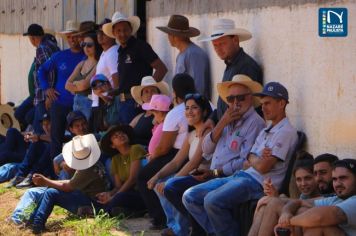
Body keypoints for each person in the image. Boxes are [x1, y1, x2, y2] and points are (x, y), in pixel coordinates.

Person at [183, 82, 298, 235]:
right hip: (242, 176)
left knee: (212, 201)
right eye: (262, 104)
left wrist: (253, 158)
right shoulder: (266, 130)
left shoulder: (285, 132)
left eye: (268, 103)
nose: (263, 108)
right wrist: (254, 158)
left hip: (257, 183)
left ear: (282, 103)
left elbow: (263, 166)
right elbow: (247, 159)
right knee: (190, 196)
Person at [10, 110, 91, 227]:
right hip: (68, 185)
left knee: (47, 192)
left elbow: (69, 177)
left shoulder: (93, 140)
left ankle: (29, 223)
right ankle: (17, 219)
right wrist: (60, 163)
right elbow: (58, 161)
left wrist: (64, 166)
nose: (81, 128)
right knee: (32, 192)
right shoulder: (73, 143)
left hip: (77, 191)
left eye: (83, 124)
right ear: (71, 129)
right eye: (77, 126)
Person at [146, 93, 212, 236]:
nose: (189, 111)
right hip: (193, 175)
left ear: (205, 111)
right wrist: (157, 176)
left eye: (194, 108)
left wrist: (172, 180)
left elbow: (194, 162)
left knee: (170, 186)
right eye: (187, 108)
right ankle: (177, 227)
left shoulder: (207, 131)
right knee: (159, 185)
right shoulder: (191, 134)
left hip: (206, 176)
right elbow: (176, 162)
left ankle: (187, 228)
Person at [137, 73, 195, 229]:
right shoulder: (206, 104)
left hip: (180, 154)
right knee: (157, 179)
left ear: (175, 93)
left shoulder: (176, 112)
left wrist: (153, 157)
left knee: (143, 177)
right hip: (185, 152)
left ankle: (161, 220)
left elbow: (164, 148)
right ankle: (174, 225)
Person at [27, 134, 110, 234]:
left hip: (93, 204)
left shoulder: (87, 169)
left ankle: (37, 225)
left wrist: (45, 181)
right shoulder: (93, 163)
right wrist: (47, 181)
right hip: (91, 199)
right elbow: (71, 183)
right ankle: (32, 221)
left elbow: (68, 187)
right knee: (51, 189)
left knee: (51, 193)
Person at [103, 11, 168, 124]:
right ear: (113, 33)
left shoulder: (140, 46)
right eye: (118, 31)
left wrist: (146, 93)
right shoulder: (121, 51)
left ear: (131, 30)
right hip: (123, 103)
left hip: (136, 103)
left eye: (125, 30)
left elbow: (161, 69)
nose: (122, 33)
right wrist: (114, 92)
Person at [199, 18, 263, 123]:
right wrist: (212, 119)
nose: (218, 49)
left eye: (222, 44)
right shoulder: (230, 64)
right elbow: (224, 102)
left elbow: (243, 109)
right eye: (215, 46)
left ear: (235, 40)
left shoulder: (245, 66)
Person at [38, 20, 85, 159]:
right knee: (56, 138)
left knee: (79, 140)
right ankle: (55, 174)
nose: (72, 39)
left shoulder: (87, 55)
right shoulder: (59, 56)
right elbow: (41, 70)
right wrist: (47, 89)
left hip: (79, 105)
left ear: (81, 37)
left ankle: (77, 171)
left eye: (75, 36)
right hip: (59, 103)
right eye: (69, 37)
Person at [248, 152, 321, 236]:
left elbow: (304, 203)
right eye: (299, 180)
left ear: (316, 176)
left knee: (274, 202)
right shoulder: (304, 195)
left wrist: (276, 199)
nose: (303, 183)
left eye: (308, 178)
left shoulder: (324, 192)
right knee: (266, 202)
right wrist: (275, 196)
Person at [277, 159, 356, 236]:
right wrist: (286, 213)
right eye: (334, 179)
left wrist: (287, 222)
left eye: (343, 178)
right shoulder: (336, 199)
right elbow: (299, 202)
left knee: (318, 223)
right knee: (302, 211)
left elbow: (319, 217)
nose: (338, 184)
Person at [96, 125, 147, 216]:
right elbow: (118, 186)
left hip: (142, 192)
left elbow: (133, 178)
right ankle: (117, 211)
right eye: (116, 136)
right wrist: (109, 194)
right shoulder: (115, 159)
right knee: (114, 199)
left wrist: (114, 197)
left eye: (122, 133)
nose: (120, 136)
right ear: (112, 145)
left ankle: (101, 213)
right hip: (128, 193)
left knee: (120, 197)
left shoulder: (136, 148)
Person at [157, 14, 211, 99]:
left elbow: (199, 87)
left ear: (174, 36)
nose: (168, 37)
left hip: (193, 107)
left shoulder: (194, 54)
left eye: (169, 34)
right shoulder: (181, 54)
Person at [23, 23, 60, 134]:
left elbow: (50, 71)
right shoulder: (52, 45)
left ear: (33, 38)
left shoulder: (42, 49)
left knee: (40, 132)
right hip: (49, 95)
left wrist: (48, 93)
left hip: (44, 96)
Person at [6, 113, 52, 188]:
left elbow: (55, 140)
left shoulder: (61, 133)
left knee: (9, 165)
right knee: (11, 131)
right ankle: (20, 176)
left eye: (48, 124)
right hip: (27, 161)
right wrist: (29, 136)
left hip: (44, 167)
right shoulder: (40, 133)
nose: (46, 127)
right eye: (44, 124)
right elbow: (32, 136)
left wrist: (38, 137)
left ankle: (31, 177)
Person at [65, 33, 103, 120]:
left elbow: (85, 84)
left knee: (87, 129)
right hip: (76, 100)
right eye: (83, 44)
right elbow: (66, 85)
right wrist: (79, 85)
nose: (86, 48)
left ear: (96, 46)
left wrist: (74, 85)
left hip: (88, 101)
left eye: (89, 45)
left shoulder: (98, 63)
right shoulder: (82, 63)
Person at [91, 18, 119, 125]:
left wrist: (109, 99)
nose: (100, 35)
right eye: (99, 32)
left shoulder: (113, 52)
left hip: (108, 103)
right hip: (101, 102)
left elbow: (117, 82)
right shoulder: (105, 52)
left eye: (104, 32)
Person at [130, 76, 170, 146]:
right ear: (142, 97)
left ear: (159, 94)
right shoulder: (139, 116)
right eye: (146, 92)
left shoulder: (161, 115)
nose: (149, 94)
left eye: (153, 91)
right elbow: (127, 130)